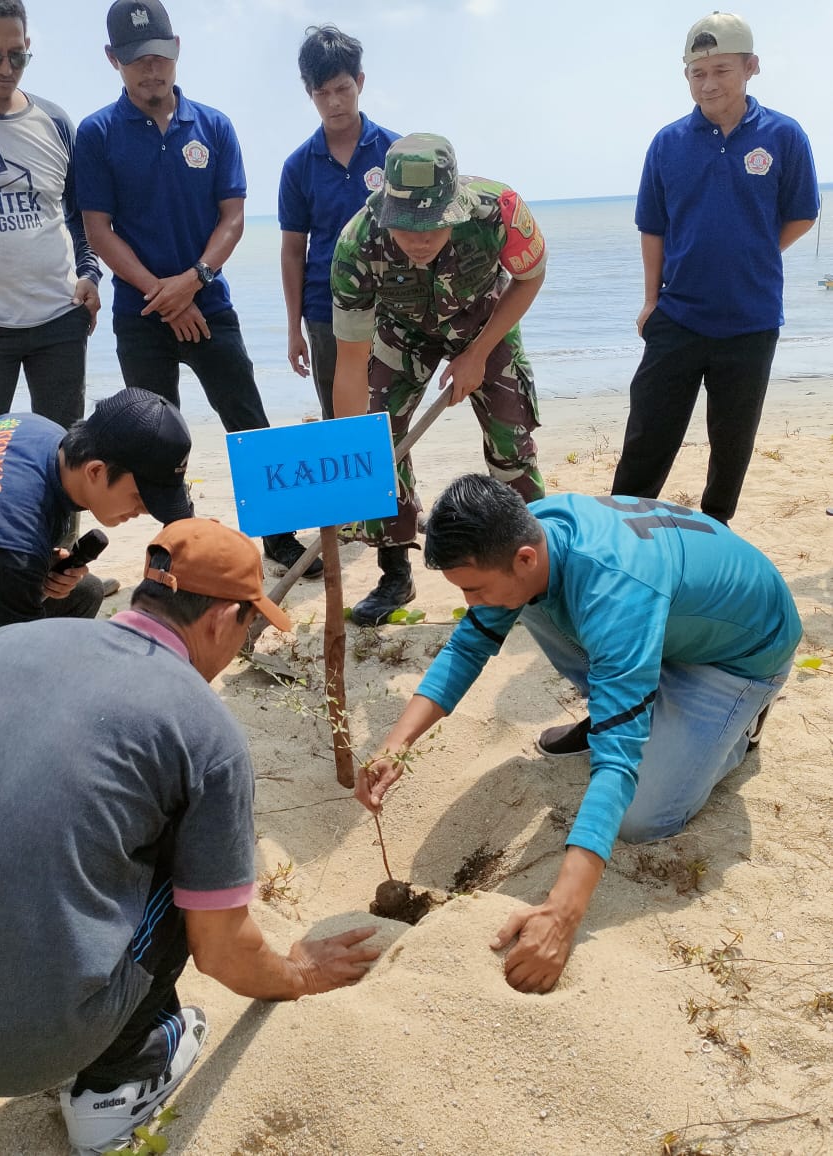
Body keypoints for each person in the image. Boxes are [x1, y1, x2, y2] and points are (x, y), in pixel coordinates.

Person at [0, 517, 379, 1154]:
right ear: (221, 619)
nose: (242, 644)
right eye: (250, 626)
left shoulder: (1, 647)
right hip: (24, 1050)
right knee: (188, 864)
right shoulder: (203, 728)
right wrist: (299, 973)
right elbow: (220, 949)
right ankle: (116, 1082)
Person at [355, 475, 801, 994]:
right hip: (666, 624)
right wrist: (397, 743)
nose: (470, 602)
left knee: (642, 818)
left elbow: (616, 763)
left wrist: (562, 915)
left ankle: (738, 731)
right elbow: (468, 645)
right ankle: (629, 699)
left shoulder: (614, 593)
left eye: (473, 588)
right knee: (525, 605)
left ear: (523, 556)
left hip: (740, 656)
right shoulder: (537, 533)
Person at [75, 0, 321, 578]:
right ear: (114, 60)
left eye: (159, 56)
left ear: (177, 49)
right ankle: (179, 546)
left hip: (209, 305)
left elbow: (232, 218)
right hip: (141, 318)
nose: (151, 70)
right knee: (155, 441)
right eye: (137, 61)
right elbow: (97, 229)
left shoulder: (213, 126)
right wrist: (161, 295)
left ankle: (280, 538)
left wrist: (192, 282)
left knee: (248, 420)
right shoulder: (97, 133)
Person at [611, 11, 819, 525]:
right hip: (678, 317)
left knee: (732, 443)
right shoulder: (668, 142)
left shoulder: (783, 135)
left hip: (752, 321)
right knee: (648, 436)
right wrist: (651, 300)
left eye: (721, 71)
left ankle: (715, 529)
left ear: (750, 67)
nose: (708, 84)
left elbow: (803, 214)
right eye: (696, 73)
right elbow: (652, 226)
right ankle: (622, 529)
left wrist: (754, 250)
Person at [331, 133, 547, 626]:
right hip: (400, 329)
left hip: (485, 320)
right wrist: (353, 454)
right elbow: (348, 365)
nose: (421, 239)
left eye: (433, 225)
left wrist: (477, 353)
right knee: (377, 438)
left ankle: (530, 569)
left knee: (511, 440)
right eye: (407, 227)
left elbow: (529, 278)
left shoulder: (501, 210)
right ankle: (394, 572)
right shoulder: (357, 246)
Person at [0, 0, 101, 434]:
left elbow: (80, 216)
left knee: (64, 455)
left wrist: (90, 275)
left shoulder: (56, 121)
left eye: (18, 55)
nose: (6, 67)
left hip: (60, 318)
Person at [0, 387, 192, 632]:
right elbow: (17, 659)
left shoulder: (39, 430)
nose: (145, 511)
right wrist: (26, 564)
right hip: (0, 549)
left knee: (85, 592)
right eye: (140, 498)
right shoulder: (13, 538)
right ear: (95, 470)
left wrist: (39, 563)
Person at [279, 24, 399, 420]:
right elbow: (294, 251)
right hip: (324, 311)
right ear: (309, 93)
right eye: (322, 93)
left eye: (342, 89)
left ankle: (401, 486)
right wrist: (294, 328)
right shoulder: (297, 167)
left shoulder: (395, 153)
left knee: (390, 416)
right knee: (341, 424)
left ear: (360, 82)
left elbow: (421, 235)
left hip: (391, 306)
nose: (333, 102)